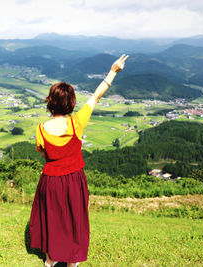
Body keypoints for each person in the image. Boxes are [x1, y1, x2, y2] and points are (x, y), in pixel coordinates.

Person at [29, 54, 129, 267]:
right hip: (74, 179)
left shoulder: (40, 130)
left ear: (50, 102)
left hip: (50, 181)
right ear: (71, 102)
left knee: (52, 219)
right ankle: (73, 262)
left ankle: (50, 260)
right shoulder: (77, 123)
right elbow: (96, 96)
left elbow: (43, 153)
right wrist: (112, 72)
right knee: (75, 219)